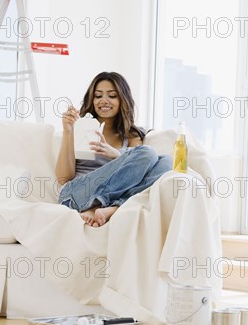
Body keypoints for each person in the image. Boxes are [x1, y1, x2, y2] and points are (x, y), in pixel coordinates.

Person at [55, 72, 172, 227]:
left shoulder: (132, 135)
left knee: (167, 161)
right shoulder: (80, 128)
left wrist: (116, 155)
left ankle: (109, 206)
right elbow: (64, 177)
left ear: (122, 99)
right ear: (92, 99)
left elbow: (137, 174)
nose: (104, 100)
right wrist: (68, 131)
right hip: (75, 195)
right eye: (98, 96)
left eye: (112, 95)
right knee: (148, 152)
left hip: (113, 197)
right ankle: (102, 205)